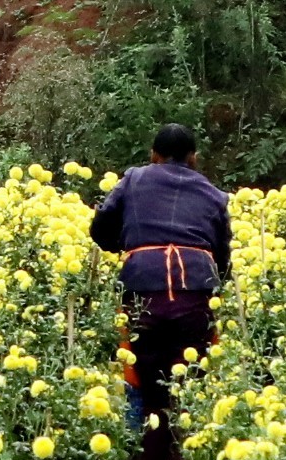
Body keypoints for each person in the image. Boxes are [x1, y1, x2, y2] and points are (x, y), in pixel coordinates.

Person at [89, 123, 229, 430]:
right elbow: (223, 259)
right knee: (191, 386)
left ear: (154, 155)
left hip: (144, 288)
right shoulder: (214, 194)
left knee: (147, 386)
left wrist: (129, 246)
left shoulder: (134, 178)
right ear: (194, 157)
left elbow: (100, 228)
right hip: (195, 291)